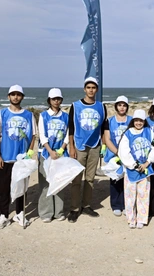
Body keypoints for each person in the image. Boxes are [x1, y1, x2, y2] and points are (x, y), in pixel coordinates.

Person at [0, 85, 37, 229]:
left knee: (21, 188)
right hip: (6, 158)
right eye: (13, 94)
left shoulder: (28, 115)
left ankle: (20, 213)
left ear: (22, 97)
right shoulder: (2, 114)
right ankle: (4, 215)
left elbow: (33, 135)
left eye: (18, 94)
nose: (15, 97)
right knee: (4, 188)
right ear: (8, 96)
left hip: (21, 160)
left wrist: (29, 152)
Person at [67, 77, 107, 223]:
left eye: (93, 87)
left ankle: (86, 205)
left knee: (90, 178)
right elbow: (71, 128)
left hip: (95, 146)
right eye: (88, 87)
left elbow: (103, 128)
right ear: (84, 89)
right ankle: (74, 208)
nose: (91, 90)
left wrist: (103, 145)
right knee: (77, 179)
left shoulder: (101, 106)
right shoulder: (75, 106)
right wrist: (71, 147)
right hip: (79, 146)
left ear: (96, 89)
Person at [118, 110, 154, 229]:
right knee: (130, 195)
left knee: (143, 194)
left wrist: (147, 162)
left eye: (141, 121)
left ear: (144, 121)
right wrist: (134, 165)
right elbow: (123, 152)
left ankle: (141, 218)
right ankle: (131, 219)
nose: (138, 123)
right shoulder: (128, 134)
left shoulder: (149, 132)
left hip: (145, 169)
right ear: (133, 121)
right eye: (136, 120)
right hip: (131, 170)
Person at [37, 88, 69, 223]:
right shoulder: (43, 115)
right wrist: (50, 151)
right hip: (46, 153)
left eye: (58, 99)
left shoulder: (66, 116)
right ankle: (46, 212)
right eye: (53, 99)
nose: (56, 101)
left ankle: (59, 212)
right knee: (46, 184)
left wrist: (61, 149)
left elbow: (68, 134)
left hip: (61, 153)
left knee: (59, 182)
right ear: (49, 100)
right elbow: (42, 135)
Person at [102, 95, 131, 217]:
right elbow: (107, 139)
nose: (122, 107)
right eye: (120, 105)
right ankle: (116, 205)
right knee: (115, 179)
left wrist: (126, 154)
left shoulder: (131, 120)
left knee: (127, 180)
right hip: (114, 155)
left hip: (128, 155)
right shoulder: (110, 121)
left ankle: (125, 204)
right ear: (116, 107)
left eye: (124, 105)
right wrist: (118, 152)